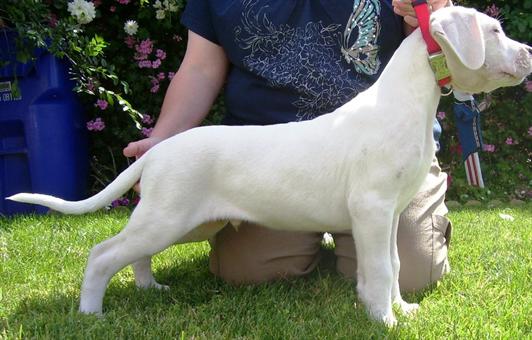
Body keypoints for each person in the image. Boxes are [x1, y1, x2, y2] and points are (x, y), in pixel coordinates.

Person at [123, 0, 452, 292]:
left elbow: (428, 41)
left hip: (383, 154)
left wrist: (431, 12)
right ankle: (327, 236)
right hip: (269, 162)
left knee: (411, 274)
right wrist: (162, 141)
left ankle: (351, 237)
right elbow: (200, 68)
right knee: (247, 271)